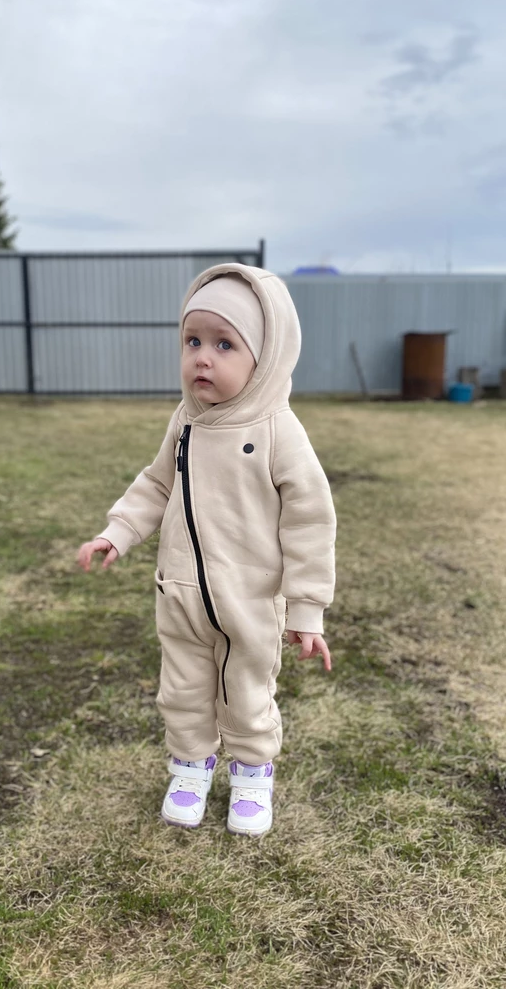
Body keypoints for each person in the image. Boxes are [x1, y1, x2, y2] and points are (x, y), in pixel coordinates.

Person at [77, 264, 336, 837]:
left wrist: (307, 608)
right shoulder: (185, 421)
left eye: (224, 344)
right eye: (193, 341)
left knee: (246, 689)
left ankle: (251, 772)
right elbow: (156, 484)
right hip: (182, 594)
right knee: (184, 689)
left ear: (265, 357)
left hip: (249, 598)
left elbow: (311, 520)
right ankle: (191, 766)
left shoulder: (278, 431)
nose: (202, 358)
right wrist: (117, 531)